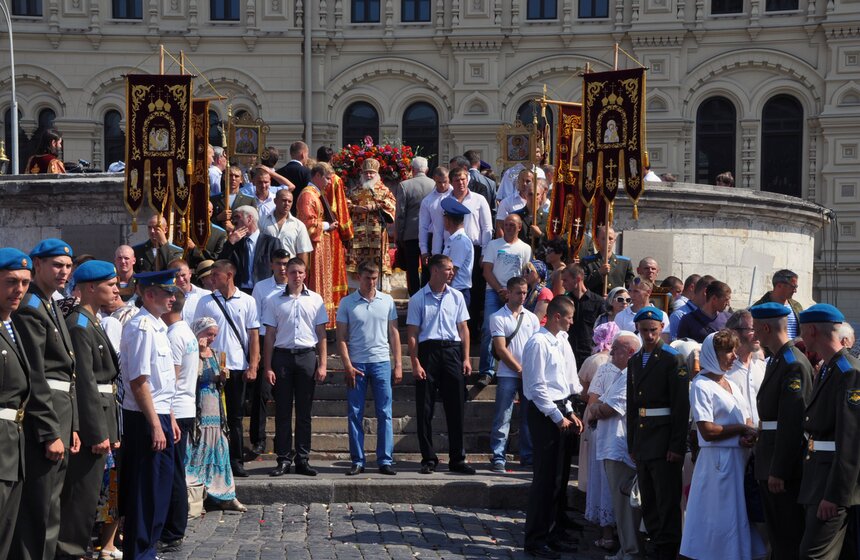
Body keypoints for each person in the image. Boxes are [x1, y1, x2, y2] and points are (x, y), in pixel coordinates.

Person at [12, 238, 77, 560]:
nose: (64, 271)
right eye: (56, 265)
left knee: (53, 505)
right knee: (41, 508)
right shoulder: (31, 306)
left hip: (61, 413)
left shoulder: (50, 302)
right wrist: (50, 430)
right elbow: (36, 374)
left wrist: (72, 426)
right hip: (45, 415)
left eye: (67, 266)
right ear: (37, 265)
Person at [56, 261, 120, 559]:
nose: (116, 290)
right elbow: (85, 383)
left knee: (92, 492)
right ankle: (71, 551)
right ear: (91, 288)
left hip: (104, 413)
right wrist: (97, 432)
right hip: (92, 421)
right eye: (110, 285)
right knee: (81, 494)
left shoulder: (92, 321)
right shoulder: (79, 325)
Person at [118, 269, 182, 560]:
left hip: (159, 416)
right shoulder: (142, 326)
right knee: (146, 492)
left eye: (173, 293)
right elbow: (139, 381)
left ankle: (149, 548)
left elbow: (162, 380)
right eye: (167, 293)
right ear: (149, 294)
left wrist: (169, 418)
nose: (173, 298)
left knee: (160, 489)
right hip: (145, 419)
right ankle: (140, 552)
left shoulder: (157, 326)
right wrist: (156, 424)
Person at [680, 330, 760, 559]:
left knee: (735, 516)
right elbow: (708, 429)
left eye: (735, 350)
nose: (733, 355)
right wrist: (742, 430)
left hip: (737, 460)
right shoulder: (701, 385)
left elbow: (745, 418)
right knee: (717, 517)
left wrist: (748, 434)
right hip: (717, 463)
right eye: (728, 351)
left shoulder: (732, 385)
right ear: (712, 354)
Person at [521, 296, 584, 559]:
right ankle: (536, 539)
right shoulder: (538, 342)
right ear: (557, 316)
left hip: (560, 408)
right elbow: (538, 387)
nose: (572, 321)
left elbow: (562, 382)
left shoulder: (560, 340)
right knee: (545, 479)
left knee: (559, 478)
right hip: (545, 412)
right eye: (569, 317)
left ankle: (554, 532)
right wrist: (558, 417)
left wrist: (569, 410)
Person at [750, 302, 812, 560]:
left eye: (755, 329)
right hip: (769, 456)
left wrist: (779, 469)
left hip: (780, 465)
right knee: (778, 534)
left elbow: (793, 422)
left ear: (766, 327)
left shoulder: (791, 363)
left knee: (787, 535)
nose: (753, 335)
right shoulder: (779, 360)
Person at [797, 304, 860, 559]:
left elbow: (851, 440)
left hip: (831, 485)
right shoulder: (830, 367)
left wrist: (834, 495)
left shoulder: (848, 372)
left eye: (802, 331)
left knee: (813, 554)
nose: (801, 336)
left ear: (811, 330)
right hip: (818, 477)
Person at [626, 306, 689, 560]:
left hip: (663, 440)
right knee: (649, 499)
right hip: (643, 439)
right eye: (644, 331)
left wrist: (676, 444)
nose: (649, 336)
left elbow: (681, 406)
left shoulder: (673, 359)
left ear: (661, 328)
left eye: (653, 330)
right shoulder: (634, 361)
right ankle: (655, 540)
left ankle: (667, 548)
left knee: (666, 500)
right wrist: (632, 442)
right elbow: (632, 405)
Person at [406, 254, 475, 475]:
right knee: (424, 407)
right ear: (434, 271)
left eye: (452, 269)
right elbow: (413, 334)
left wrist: (465, 357)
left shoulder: (456, 297)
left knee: (456, 405)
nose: (451, 272)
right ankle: (428, 457)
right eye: (447, 269)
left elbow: (463, 328)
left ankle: (457, 458)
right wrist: (415, 362)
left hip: (452, 351)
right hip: (429, 351)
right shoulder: (418, 298)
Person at [193, 260, 260, 478]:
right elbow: (198, 331)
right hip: (211, 366)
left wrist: (253, 364)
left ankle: (236, 460)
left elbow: (253, 335)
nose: (211, 278)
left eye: (216, 274)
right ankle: (209, 459)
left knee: (235, 417)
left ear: (229, 275)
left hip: (237, 365)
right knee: (210, 416)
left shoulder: (247, 301)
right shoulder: (206, 301)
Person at [336, 260, 403, 476]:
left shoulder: (387, 300)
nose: (372, 282)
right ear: (358, 278)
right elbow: (341, 337)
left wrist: (398, 363)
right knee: (355, 412)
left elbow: (394, 333)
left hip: (381, 361)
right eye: (367, 278)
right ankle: (357, 460)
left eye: (375, 278)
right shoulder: (347, 303)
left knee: (385, 412)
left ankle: (385, 459)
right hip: (357, 362)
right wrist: (347, 364)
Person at [263, 257, 328, 477]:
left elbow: (321, 334)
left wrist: (323, 364)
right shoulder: (274, 300)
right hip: (282, 357)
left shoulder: (316, 300)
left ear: (305, 274)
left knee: (304, 412)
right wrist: (268, 366)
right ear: (286, 273)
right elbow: (269, 335)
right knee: (282, 411)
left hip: (306, 356)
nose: (296, 276)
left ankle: (302, 458)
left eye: (300, 272)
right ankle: (283, 458)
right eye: (292, 272)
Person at [588, 331, 645, 560]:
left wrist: (596, 409)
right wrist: (598, 407)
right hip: (611, 446)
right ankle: (626, 549)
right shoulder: (623, 374)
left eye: (617, 350)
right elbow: (599, 402)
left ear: (630, 353)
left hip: (619, 447)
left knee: (625, 506)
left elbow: (608, 408)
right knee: (620, 506)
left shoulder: (632, 375)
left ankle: (631, 552)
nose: (611, 353)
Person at [185, 317, 246, 512]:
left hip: (216, 409)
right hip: (199, 410)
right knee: (198, 452)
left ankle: (226, 494)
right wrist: (198, 352)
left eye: (214, 335)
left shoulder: (218, 354)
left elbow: (221, 384)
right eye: (208, 334)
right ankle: (197, 494)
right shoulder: (192, 352)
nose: (211, 339)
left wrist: (222, 377)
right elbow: (189, 377)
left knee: (220, 451)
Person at [159, 290, 199, 553]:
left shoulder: (174, 335)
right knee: (176, 470)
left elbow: (171, 379)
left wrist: (168, 414)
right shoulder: (186, 331)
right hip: (185, 407)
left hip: (177, 409)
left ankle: (173, 530)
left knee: (173, 472)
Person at [0, 249, 33, 559]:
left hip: (13, 443)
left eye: (24, 282)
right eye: (11, 282)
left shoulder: (11, 325)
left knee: (7, 530)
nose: (19, 290)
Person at [488, 276, 540, 473]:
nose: (523, 296)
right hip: (508, 374)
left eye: (525, 292)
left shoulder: (532, 318)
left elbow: (536, 345)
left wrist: (530, 371)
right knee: (503, 415)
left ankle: (527, 456)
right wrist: (519, 370)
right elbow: (501, 349)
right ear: (508, 293)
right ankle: (498, 455)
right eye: (518, 292)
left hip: (528, 374)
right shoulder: (498, 317)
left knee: (529, 417)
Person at [476, 213, 532, 387]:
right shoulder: (494, 245)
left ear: (519, 227)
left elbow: (525, 274)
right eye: (506, 224)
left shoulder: (525, 248)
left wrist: (512, 292)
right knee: (488, 328)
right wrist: (500, 289)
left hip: (515, 294)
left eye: (512, 225)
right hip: (494, 291)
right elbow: (486, 271)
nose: (508, 228)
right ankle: (487, 370)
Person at [298, 162, 351, 328]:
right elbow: (307, 223)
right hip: (315, 247)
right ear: (318, 176)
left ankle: (323, 322)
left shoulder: (315, 193)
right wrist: (328, 226)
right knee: (317, 281)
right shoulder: (308, 195)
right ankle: (317, 322)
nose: (329, 182)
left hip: (321, 246)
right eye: (327, 178)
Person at [248, 249, 290, 456]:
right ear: (271, 265)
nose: (283, 268)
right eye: (279, 264)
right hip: (265, 340)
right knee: (261, 394)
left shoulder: (297, 287)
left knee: (285, 394)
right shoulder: (262, 288)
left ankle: (283, 440)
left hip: (286, 341)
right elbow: (254, 321)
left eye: (285, 263)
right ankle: (258, 439)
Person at [576, 321, 618, 494]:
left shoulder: (592, 360)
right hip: (614, 411)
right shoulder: (620, 360)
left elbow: (582, 391)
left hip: (593, 409)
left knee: (590, 452)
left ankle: (589, 488)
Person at [346, 158, 397, 287]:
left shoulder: (384, 190)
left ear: (377, 174)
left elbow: (392, 205)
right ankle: (356, 287)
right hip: (358, 234)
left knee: (377, 261)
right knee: (357, 263)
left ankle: (378, 286)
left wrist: (375, 206)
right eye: (366, 172)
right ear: (362, 174)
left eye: (371, 173)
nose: (369, 175)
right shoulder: (354, 191)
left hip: (377, 233)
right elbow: (345, 204)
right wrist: (354, 208)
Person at [218, 205, 281, 293]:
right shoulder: (235, 243)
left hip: (264, 291)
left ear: (249, 218)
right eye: (233, 218)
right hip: (240, 291)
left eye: (237, 217)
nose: (234, 221)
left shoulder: (271, 243)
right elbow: (221, 263)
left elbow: (279, 268)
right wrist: (230, 243)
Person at [396, 156, 435, 295]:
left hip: (410, 233)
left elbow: (400, 214)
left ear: (412, 169)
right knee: (427, 267)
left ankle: (414, 297)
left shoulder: (405, 185)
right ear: (427, 170)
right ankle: (426, 294)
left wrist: (398, 235)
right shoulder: (435, 185)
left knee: (412, 268)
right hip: (430, 233)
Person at [725, 310, 766, 426]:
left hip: (762, 439)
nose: (757, 334)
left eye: (759, 329)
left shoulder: (762, 367)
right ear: (734, 333)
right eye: (752, 329)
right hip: (732, 440)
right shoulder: (723, 371)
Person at [561, 264, 605, 366]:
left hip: (590, 356)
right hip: (568, 354)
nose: (563, 284)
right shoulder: (564, 301)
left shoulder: (598, 302)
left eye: (565, 280)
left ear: (577, 279)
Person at [259, 188, 313, 263]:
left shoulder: (299, 226)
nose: (287, 203)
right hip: (267, 269)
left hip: (290, 270)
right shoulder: (262, 221)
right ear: (275, 201)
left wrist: (300, 272)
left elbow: (303, 252)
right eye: (284, 200)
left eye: (290, 201)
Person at [418, 166, 453, 275]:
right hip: (434, 240)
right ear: (434, 179)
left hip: (453, 240)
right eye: (439, 182)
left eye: (445, 182)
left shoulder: (455, 196)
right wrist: (424, 251)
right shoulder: (428, 200)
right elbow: (423, 226)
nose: (442, 185)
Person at [581, 225, 634, 296]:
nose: (607, 242)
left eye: (610, 239)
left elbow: (631, 287)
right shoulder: (587, 262)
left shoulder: (624, 262)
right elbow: (583, 284)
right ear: (597, 240)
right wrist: (599, 273)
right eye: (603, 238)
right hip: (594, 302)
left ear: (614, 241)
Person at [441, 196, 474, 306]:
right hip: (453, 291)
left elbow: (451, 271)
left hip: (457, 292)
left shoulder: (460, 241)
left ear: (447, 220)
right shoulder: (454, 240)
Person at [752, 269, 803, 339]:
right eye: (793, 286)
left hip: (793, 349)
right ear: (779, 285)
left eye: (796, 287)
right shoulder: (760, 307)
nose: (795, 291)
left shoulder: (797, 306)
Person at [669, 274, 713, 341]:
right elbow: (674, 343)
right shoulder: (679, 313)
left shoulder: (710, 313)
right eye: (714, 295)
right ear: (705, 292)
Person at [170, 258, 211, 324]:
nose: (181, 279)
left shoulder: (206, 295)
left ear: (190, 273)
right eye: (176, 276)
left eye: (183, 275)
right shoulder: (166, 298)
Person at [276, 141, 312, 214]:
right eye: (307, 155)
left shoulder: (278, 173)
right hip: (300, 213)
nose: (307, 158)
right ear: (303, 155)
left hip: (281, 213)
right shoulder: (307, 172)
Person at [523, 259, 553, 324]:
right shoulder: (528, 291)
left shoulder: (545, 292)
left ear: (539, 273)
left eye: (528, 271)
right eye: (524, 271)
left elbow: (536, 320)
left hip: (538, 330)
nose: (525, 274)